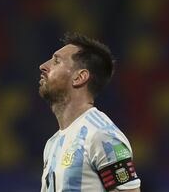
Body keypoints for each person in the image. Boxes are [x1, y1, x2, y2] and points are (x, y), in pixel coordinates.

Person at [39, 32, 141, 192]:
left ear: (79, 77)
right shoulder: (52, 144)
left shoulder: (102, 136)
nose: (43, 66)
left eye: (56, 61)